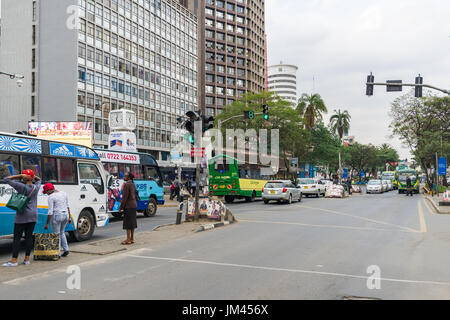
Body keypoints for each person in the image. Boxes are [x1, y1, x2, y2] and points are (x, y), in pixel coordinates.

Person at [2, 170, 41, 267]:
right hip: (33, 215)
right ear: (32, 178)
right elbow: (39, 179)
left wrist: (19, 175)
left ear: (23, 177)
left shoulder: (20, 186)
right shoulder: (36, 187)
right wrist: (32, 176)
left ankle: (14, 261)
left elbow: (6, 179)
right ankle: (27, 260)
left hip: (22, 216)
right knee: (28, 237)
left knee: (17, 238)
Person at [43, 183, 72, 257]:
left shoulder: (51, 197)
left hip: (57, 216)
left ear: (49, 190)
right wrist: (69, 217)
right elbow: (67, 205)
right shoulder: (63, 193)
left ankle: (57, 253)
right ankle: (66, 250)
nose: (46, 194)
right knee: (62, 232)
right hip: (65, 215)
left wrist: (47, 223)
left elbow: (50, 211)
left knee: (56, 235)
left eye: (46, 192)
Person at [119, 172, 137, 245]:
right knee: (132, 223)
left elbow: (124, 198)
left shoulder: (126, 185)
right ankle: (132, 238)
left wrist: (121, 207)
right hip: (134, 205)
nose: (124, 177)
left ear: (128, 178)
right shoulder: (132, 184)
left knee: (127, 224)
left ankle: (128, 240)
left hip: (128, 206)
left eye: (125, 176)